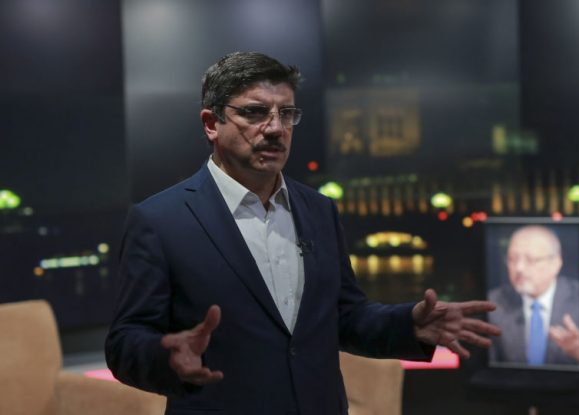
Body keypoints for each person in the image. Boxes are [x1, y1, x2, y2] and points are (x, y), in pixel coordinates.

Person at [105, 52, 500, 415]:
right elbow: (125, 342)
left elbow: (344, 316)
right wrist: (165, 357)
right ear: (211, 123)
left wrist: (408, 325)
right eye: (255, 112)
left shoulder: (318, 210)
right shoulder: (161, 220)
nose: (276, 128)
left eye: (287, 113)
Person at [487, 225, 579, 367]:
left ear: (556, 263)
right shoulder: (493, 304)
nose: (519, 268)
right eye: (512, 259)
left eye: (530, 260)